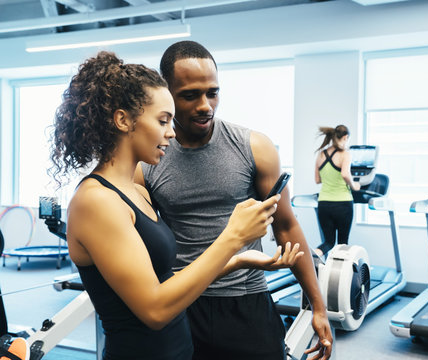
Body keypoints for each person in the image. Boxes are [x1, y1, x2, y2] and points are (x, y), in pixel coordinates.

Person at [50, 51, 303, 360]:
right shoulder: (96, 200)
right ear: (123, 120)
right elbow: (155, 309)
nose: (171, 131)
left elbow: (165, 278)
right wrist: (232, 237)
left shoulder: (135, 192)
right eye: (162, 120)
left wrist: (237, 261)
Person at [135, 40, 333, 359]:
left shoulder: (254, 146)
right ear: (166, 94)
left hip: (247, 300)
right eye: (189, 95)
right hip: (184, 300)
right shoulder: (147, 162)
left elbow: (286, 226)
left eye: (212, 92)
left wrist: (318, 306)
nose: (205, 105)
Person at [314, 125, 360, 257]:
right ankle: (340, 276)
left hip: (324, 204)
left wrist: (330, 178)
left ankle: (314, 256)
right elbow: (345, 174)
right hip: (343, 204)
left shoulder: (321, 154)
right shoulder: (345, 154)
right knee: (342, 244)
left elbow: (317, 180)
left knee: (328, 242)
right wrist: (354, 186)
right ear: (345, 137)